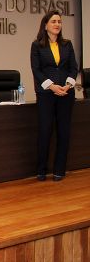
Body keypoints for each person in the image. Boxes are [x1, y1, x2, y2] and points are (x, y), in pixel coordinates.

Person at [30, 10, 78, 182]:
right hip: (46, 94)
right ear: (45, 25)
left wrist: (68, 85)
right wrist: (51, 86)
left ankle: (59, 170)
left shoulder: (67, 44)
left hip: (66, 93)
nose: (57, 24)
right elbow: (36, 70)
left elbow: (73, 68)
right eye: (53, 21)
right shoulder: (37, 45)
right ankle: (41, 170)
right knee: (45, 130)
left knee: (64, 131)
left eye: (59, 21)